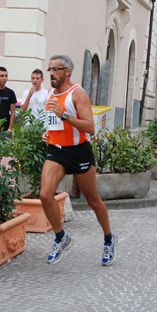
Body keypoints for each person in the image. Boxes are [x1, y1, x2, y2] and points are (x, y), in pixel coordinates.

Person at [41, 54, 117, 266]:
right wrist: (47, 134)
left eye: (56, 69)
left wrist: (64, 115)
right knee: (45, 195)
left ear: (67, 71)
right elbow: (53, 123)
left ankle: (109, 239)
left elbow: (90, 127)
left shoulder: (78, 93)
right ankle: (61, 237)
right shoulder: (50, 94)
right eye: (49, 69)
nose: (51, 74)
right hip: (57, 151)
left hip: (79, 151)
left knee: (92, 200)